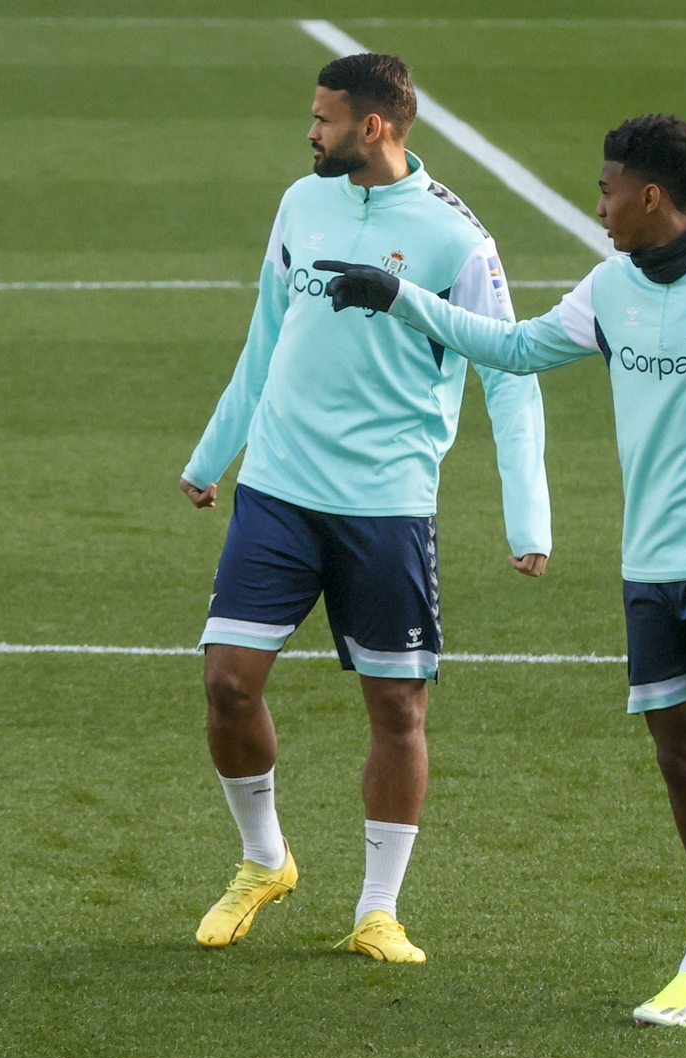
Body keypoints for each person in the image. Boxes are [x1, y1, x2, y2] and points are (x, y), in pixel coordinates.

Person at [314, 113, 686, 1022]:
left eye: (607, 188)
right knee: (675, 755)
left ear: (650, 195)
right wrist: (399, 299)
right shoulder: (610, 287)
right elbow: (514, 347)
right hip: (648, 563)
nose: (599, 204)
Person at [181, 54, 552, 963]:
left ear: (373, 127)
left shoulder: (455, 238)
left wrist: (528, 518)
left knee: (397, 707)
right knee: (228, 680)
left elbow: (509, 369)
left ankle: (378, 908)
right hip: (277, 485)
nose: (310, 131)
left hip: (385, 503)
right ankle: (264, 859)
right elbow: (266, 334)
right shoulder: (299, 205)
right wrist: (211, 452)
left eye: (323, 118)